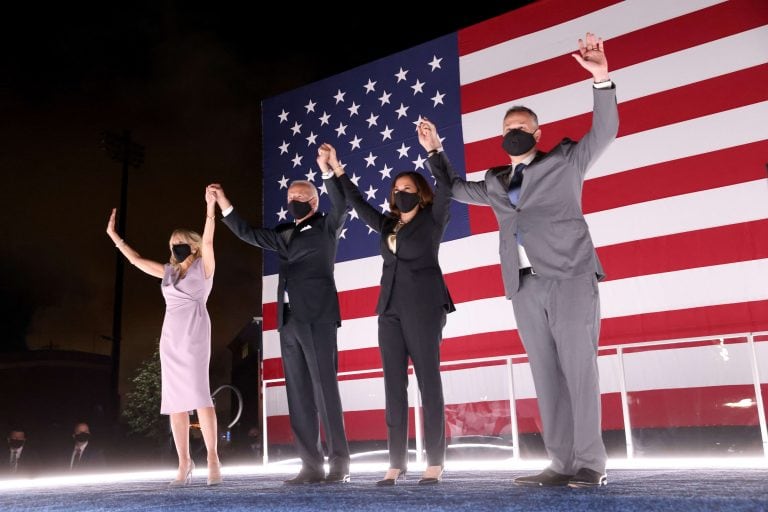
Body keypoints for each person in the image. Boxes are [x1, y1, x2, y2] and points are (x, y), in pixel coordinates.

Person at [441, 32, 618, 488]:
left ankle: (590, 464)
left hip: (570, 276)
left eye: (520, 126)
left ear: (536, 133)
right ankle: (560, 463)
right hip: (523, 285)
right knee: (546, 374)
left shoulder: (564, 160)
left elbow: (604, 132)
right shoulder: (497, 183)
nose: (512, 132)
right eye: (506, 128)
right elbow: (457, 190)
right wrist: (434, 153)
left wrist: (601, 79)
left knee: (579, 370)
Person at [322, 128, 455, 486]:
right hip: (389, 311)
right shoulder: (386, 224)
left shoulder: (433, 219)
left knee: (429, 382)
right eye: (396, 190)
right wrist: (338, 170)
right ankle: (396, 462)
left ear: (421, 194)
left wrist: (435, 151)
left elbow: (447, 185)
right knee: (393, 385)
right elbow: (357, 201)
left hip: (425, 307)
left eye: (408, 189)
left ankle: (436, 461)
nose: (401, 193)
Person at [206, 176, 351, 484]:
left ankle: (340, 463)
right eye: (290, 196)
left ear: (314, 201)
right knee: (298, 394)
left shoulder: (327, 226)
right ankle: (311, 465)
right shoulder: (283, 232)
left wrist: (328, 174)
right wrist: (224, 204)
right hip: (288, 321)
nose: (293, 200)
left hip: (318, 317)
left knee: (325, 391)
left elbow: (342, 205)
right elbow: (248, 233)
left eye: (301, 195)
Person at [105, 189, 222, 487]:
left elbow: (208, 241)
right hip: (170, 338)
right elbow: (136, 260)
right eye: (173, 243)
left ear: (192, 245)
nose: (177, 246)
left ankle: (212, 458)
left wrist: (210, 208)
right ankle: (184, 462)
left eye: (182, 242)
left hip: (194, 334)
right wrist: (114, 236)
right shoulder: (168, 272)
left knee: (200, 395)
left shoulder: (204, 267)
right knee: (175, 402)